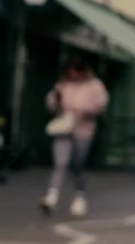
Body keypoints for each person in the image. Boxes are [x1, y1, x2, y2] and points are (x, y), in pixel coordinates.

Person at [40, 56, 108, 218]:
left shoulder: (95, 86)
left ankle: (79, 196)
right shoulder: (63, 84)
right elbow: (50, 104)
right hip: (64, 127)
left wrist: (84, 110)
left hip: (83, 130)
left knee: (77, 165)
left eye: (76, 72)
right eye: (70, 72)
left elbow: (101, 105)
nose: (73, 76)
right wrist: (55, 101)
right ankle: (51, 196)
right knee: (60, 163)